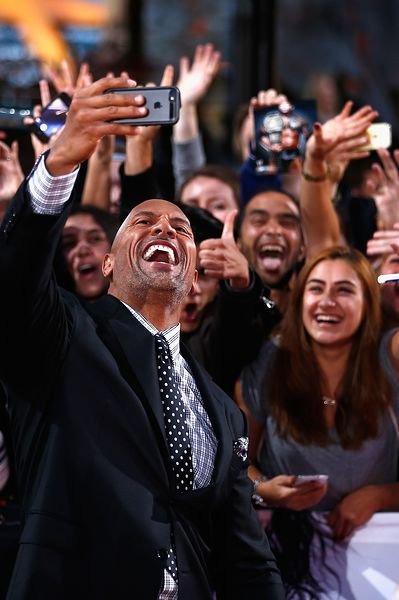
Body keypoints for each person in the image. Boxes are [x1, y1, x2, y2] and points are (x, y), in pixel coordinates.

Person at [0, 75, 284, 600]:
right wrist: (60, 163)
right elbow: (15, 278)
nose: (165, 231)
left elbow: (247, 558)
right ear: (107, 263)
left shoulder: (224, 412)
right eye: (144, 222)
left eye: (181, 230)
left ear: (197, 272)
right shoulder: (63, 338)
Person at [236, 244, 399, 597]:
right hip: (284, 557)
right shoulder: (270, 361)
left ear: (369, 303)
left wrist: (382, 495)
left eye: (344, 290)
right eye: (316, 289)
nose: (327, 301)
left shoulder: (392, 356)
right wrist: (264, 490)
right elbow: (237, 464)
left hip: (384, 559)